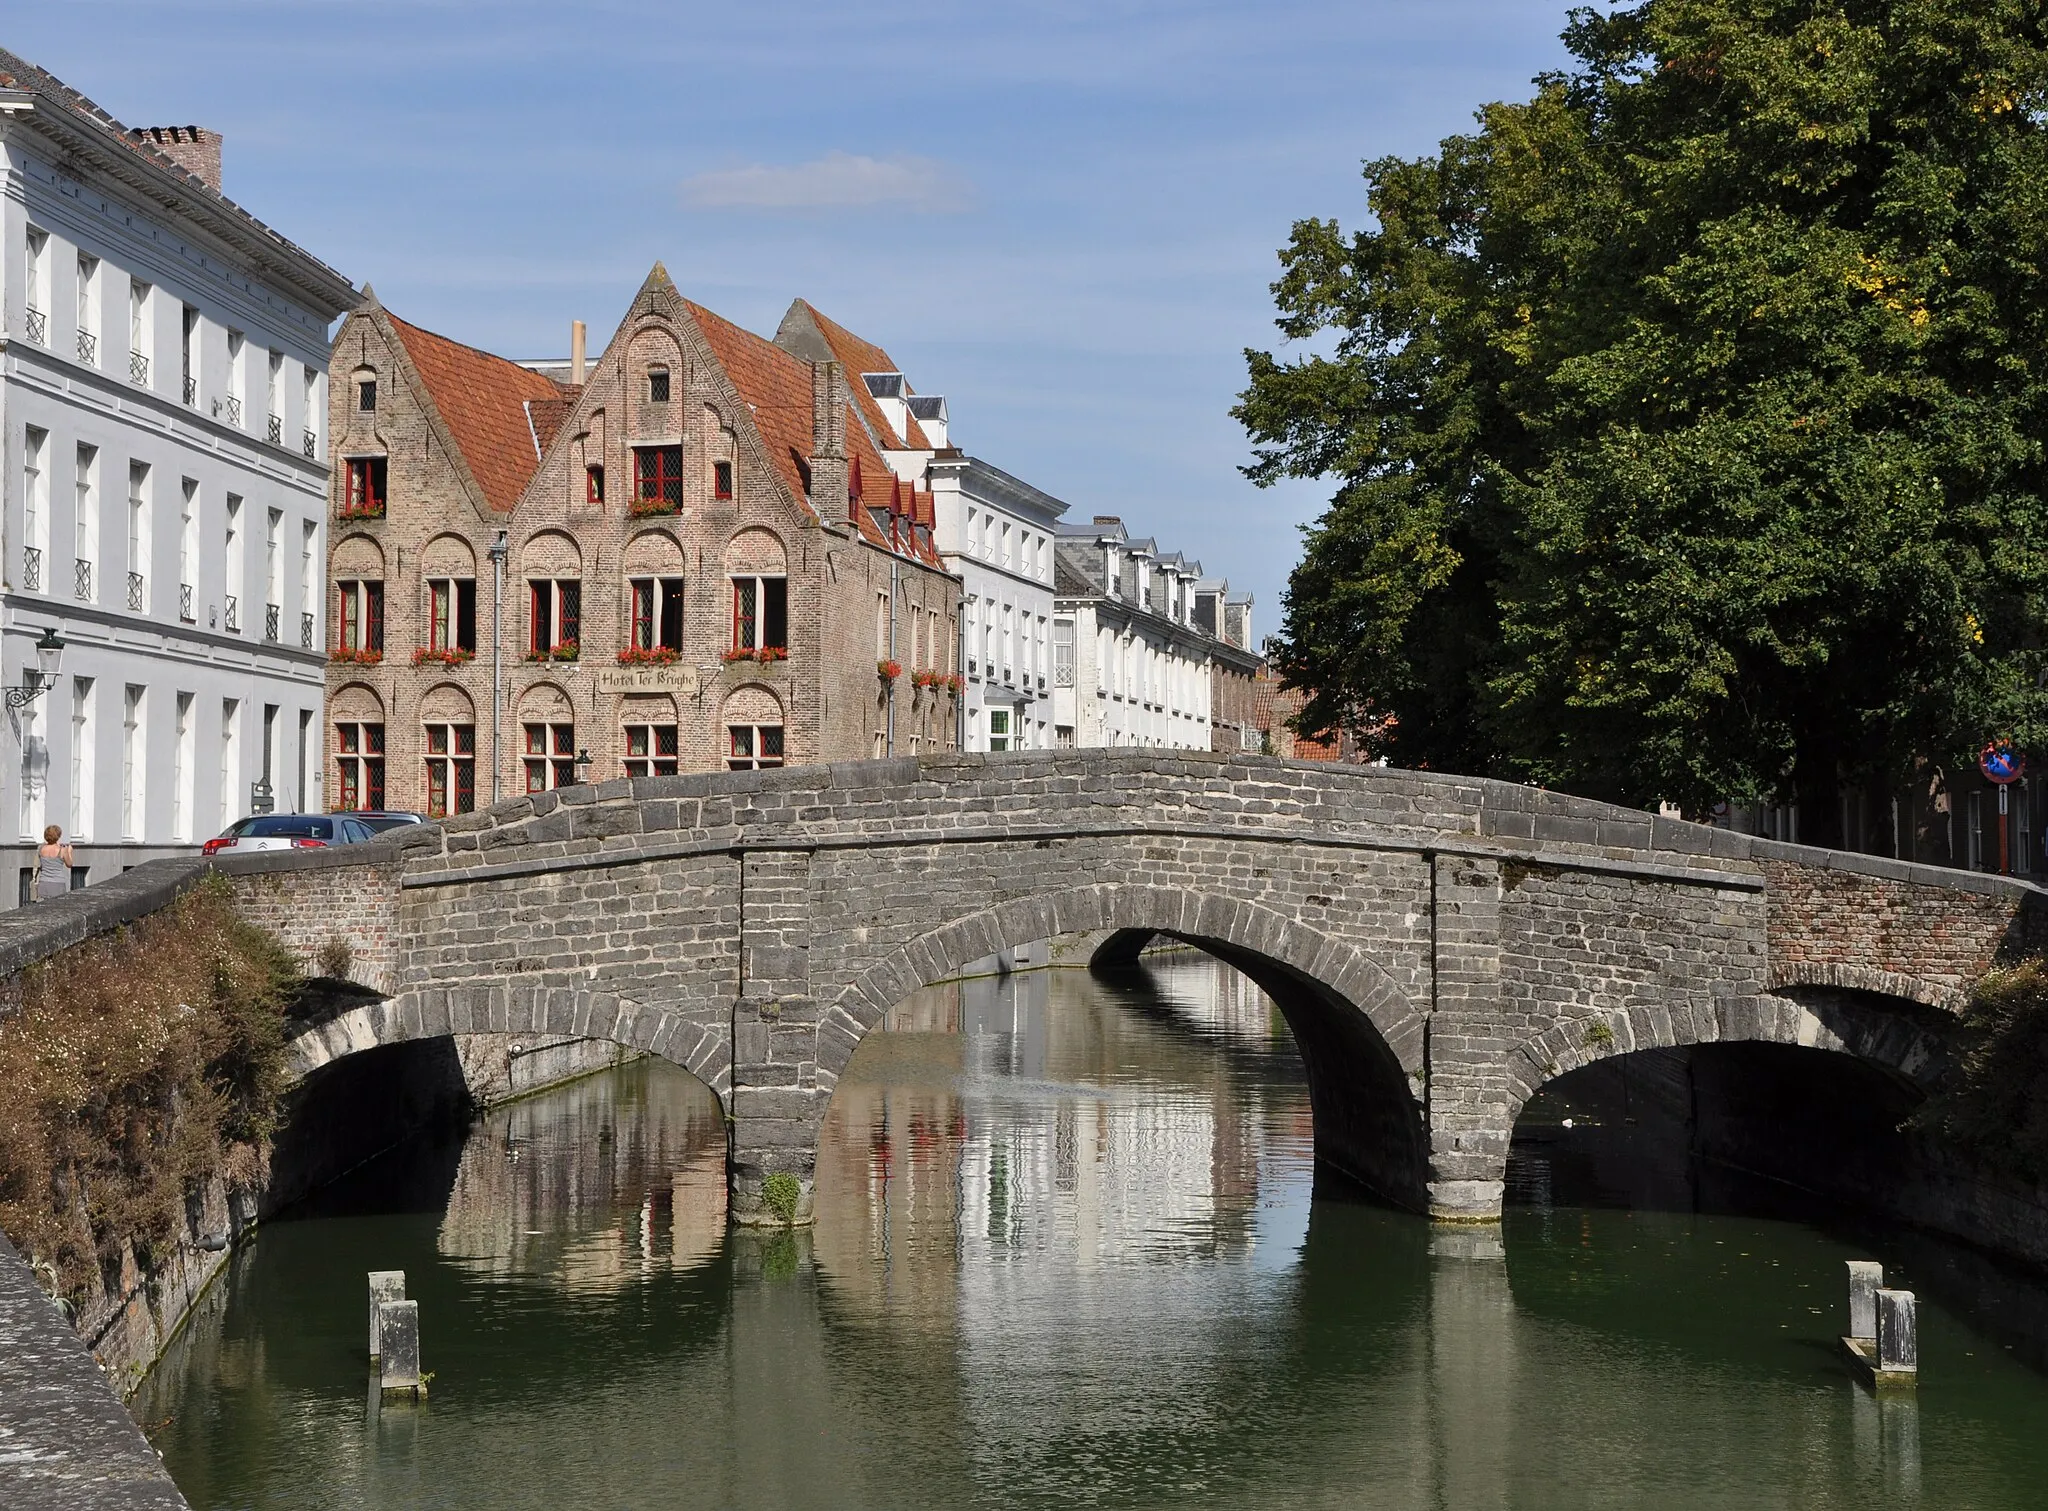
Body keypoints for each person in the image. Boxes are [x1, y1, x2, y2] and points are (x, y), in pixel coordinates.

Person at [34, 824, 72, 901]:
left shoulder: (41, 848)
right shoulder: (62, 850)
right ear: (58, 836)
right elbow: (69, 864)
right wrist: (70, 851)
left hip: (44, 882)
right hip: (57, 883)